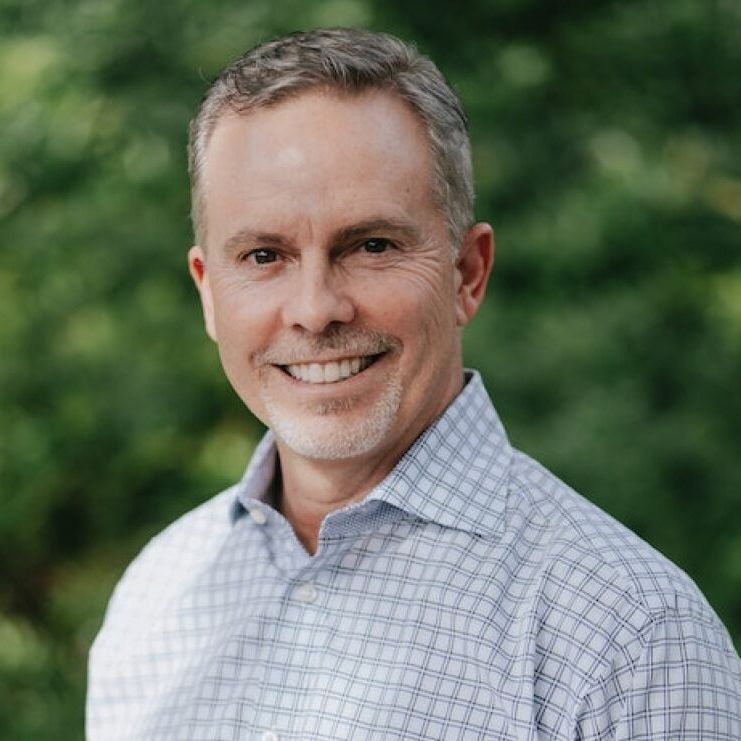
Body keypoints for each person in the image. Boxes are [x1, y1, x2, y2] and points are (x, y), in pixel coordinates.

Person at [87, 28, 741, 740]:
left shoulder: (632, 638)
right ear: (209, 293)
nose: (315, 310)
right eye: (264, 254)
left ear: (467, 273)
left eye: (371, 245)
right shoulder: (156, 595)